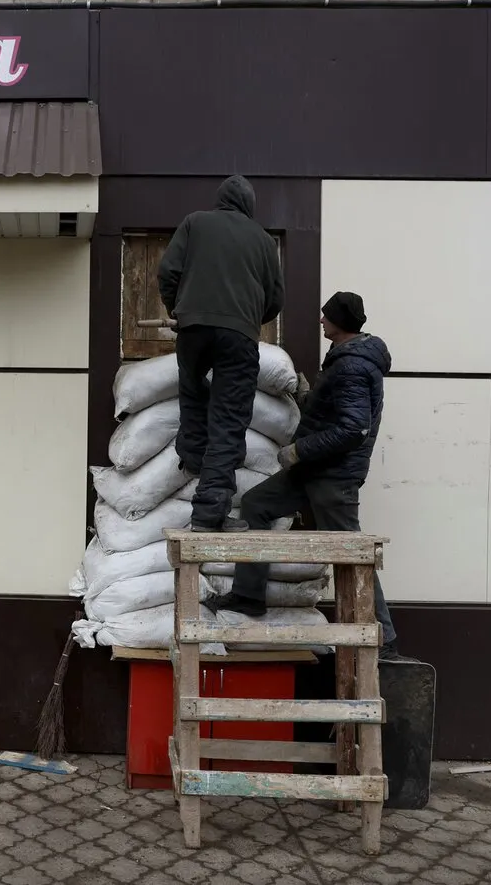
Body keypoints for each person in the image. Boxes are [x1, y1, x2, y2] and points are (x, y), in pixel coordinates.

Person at [203, 290, 408, 660]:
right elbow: (337, 411)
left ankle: (386, 639)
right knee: (257, 504)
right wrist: (307, 396)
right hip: (313, 471)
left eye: (326, 316)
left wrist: (299, 450)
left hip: (333, 478)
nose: (320, 321)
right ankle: (249, 596)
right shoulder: (346, 359)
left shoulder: (353, 366)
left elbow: (353, 428)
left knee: (351, 555)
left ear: (340, 322)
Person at [157, 175, 284, 533]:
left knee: (194, 398)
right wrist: (245, 317)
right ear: (249, 206)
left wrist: (179, 309)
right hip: (238, 336)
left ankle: (196, 463)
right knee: (228, 422)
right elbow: (275, 300)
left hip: (192, 330)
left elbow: (168, 271)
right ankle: (209, 513)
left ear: (220, 200)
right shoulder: (262, 240)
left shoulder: (195, 222)